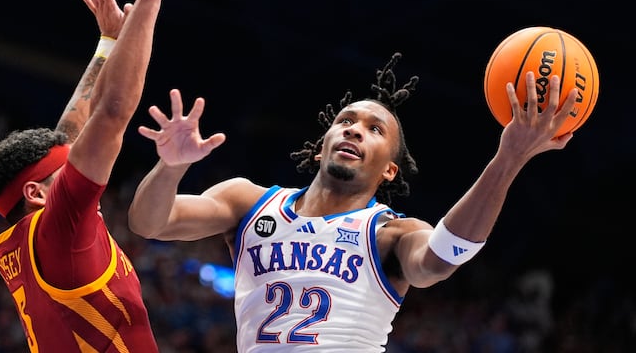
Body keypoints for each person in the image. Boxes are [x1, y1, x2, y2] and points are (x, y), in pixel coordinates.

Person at [127, 52, 578, 352]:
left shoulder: (390, 234)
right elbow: (150, 223)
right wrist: (170, 167)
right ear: (321, 144)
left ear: (389, 170)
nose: (355, 129)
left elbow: (443, 258)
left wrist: (509, 157)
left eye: (375, 129)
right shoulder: (247, 202)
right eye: (346, 121)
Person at [0, 0, 170, 351]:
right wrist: (149, 0)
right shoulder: (60, 232)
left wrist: (108, 43)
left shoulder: (35, 239)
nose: (81, 164)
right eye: (65, 172)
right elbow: (113, 112)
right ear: (38, 193)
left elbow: (70, 136)